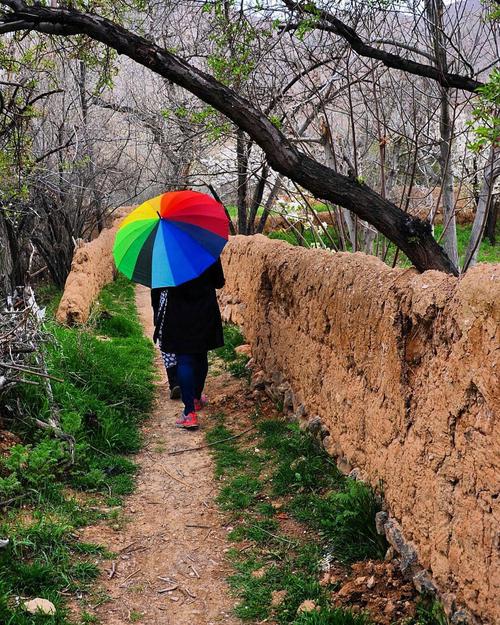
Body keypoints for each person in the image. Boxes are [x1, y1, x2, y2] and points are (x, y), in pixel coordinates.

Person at [151, 257, 225, 430]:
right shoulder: (204, 248)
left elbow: (158, 287)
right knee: (201, 353)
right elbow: (218, 282)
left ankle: (189, 413)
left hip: (177, 312)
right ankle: (196, 398)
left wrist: (157, 314)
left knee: (184, 358)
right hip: (204, 310)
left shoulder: (165, 253)